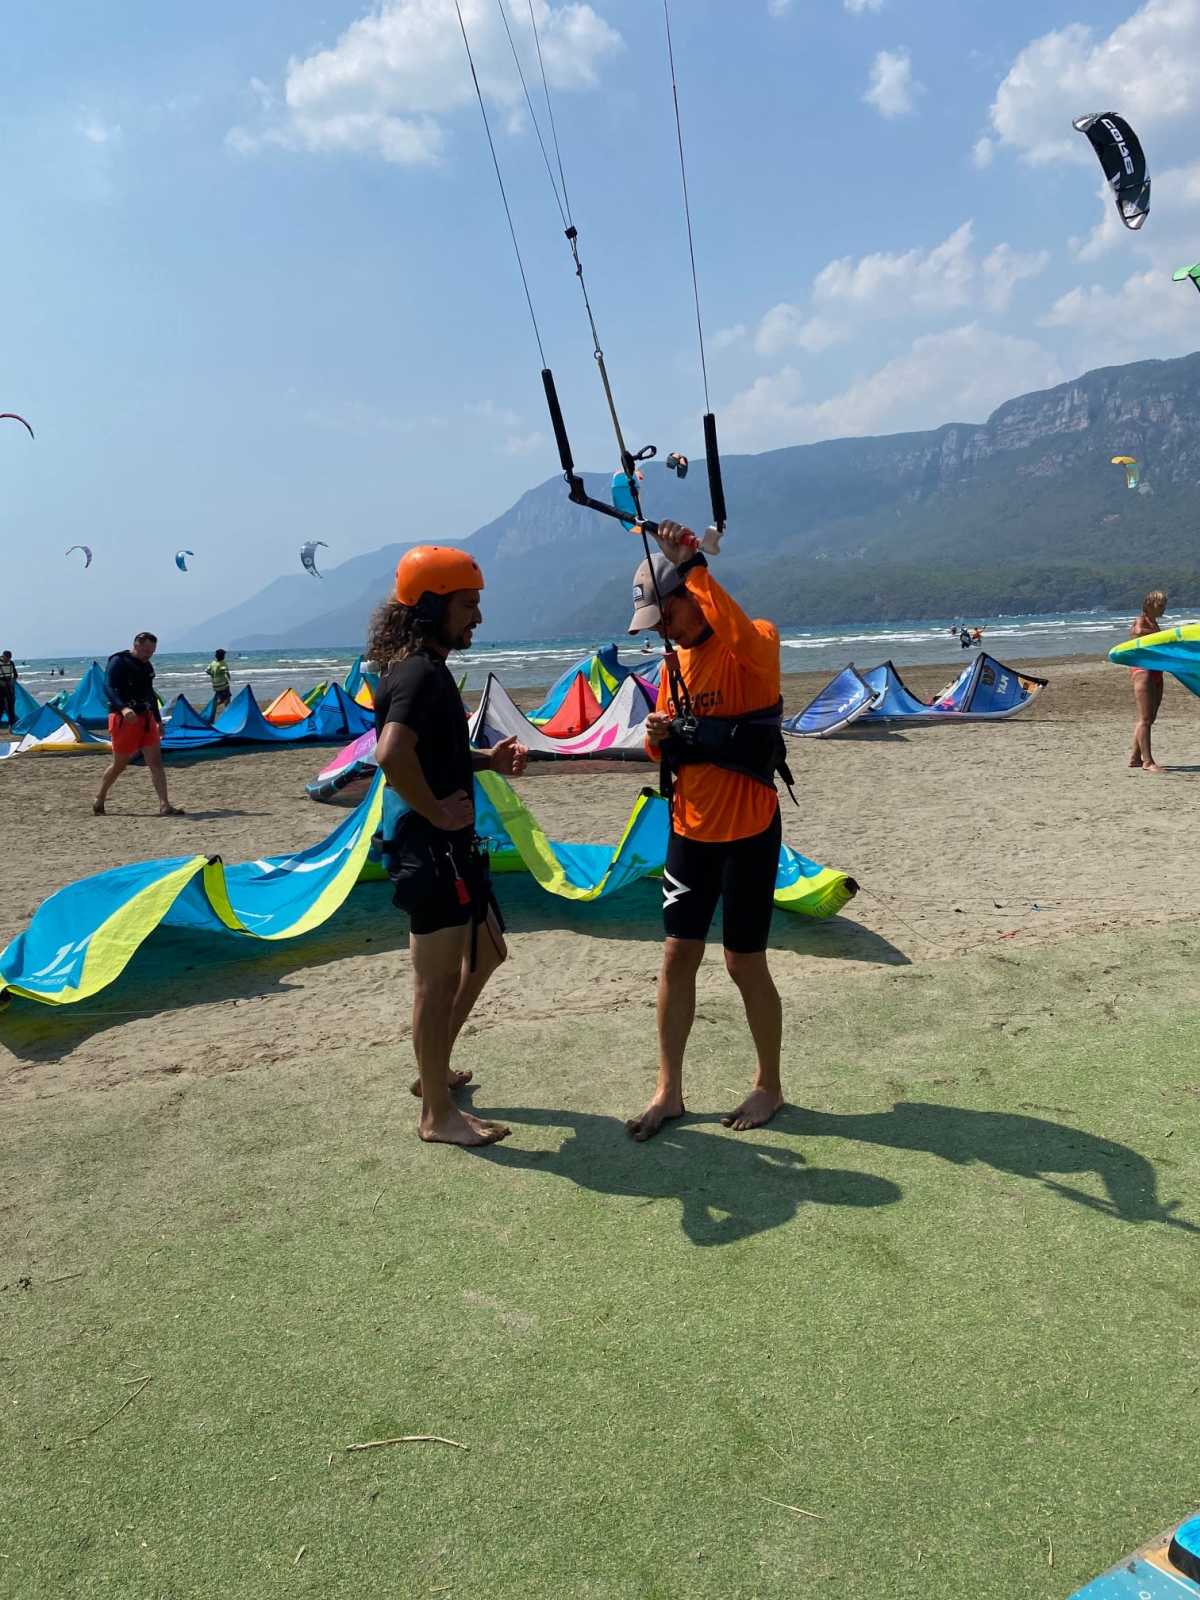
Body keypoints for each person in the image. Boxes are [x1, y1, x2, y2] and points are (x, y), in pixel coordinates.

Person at [625, 521, 791, 1142]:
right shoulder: (673, 666)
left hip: (749, 831)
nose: (661, 632)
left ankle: (769, 1085)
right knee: (677, 956)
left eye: (665, 617)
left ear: (692, 598)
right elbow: (666, 749)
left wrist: (694, 565)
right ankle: (668, 1089)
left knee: (743, 962)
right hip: (689, 831)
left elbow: (739, 633)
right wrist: (656, 737)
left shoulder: (755, 644)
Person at [369, 546, 528, 1148]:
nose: (478, 617)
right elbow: (391, 754)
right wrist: (436, 811)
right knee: (434, 986)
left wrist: (486, 761)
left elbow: (434, 753)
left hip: (451, 849)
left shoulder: (423, 669)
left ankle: (431, 1073)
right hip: (430, 850)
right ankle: (436, 1112)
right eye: (467, 605)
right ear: (431, 607)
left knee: (488, 953)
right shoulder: (420, 673)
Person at [93, 632, 184, 816]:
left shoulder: (147, 666)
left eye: (152, 651)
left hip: (145, 718)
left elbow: (150, 693)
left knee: (156, 762)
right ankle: (100, 797)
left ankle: (164, 805)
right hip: (123, 718)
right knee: (120, 765)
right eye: (146, 650)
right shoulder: (119, 661)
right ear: (136, 645)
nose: (149, 654)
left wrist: (158, 720)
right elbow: (108, 688)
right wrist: (123, 709)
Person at [1128, 589, 1168, 773]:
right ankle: (1148, 761)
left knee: (1151, 717)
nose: (1163, 608)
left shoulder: (1155, 623)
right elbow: (1136, 632)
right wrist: (1161, 636)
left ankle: (1135, 757)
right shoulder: (1141, 620)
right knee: (1145, 718)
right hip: (1142, 671)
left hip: (1156, 671)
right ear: (1150, 604)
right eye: (1160, 605)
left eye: (1165, 605)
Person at [0, 650, 18, 728]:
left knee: (11, 706)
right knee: (1, 706)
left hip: (9, 687)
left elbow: (15, 675)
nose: (7, 660)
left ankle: (13, 724)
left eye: (9, 659)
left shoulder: (11, 663)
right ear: (3, 656)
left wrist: (12, 681)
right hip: (0, 688)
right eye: (6, 658)